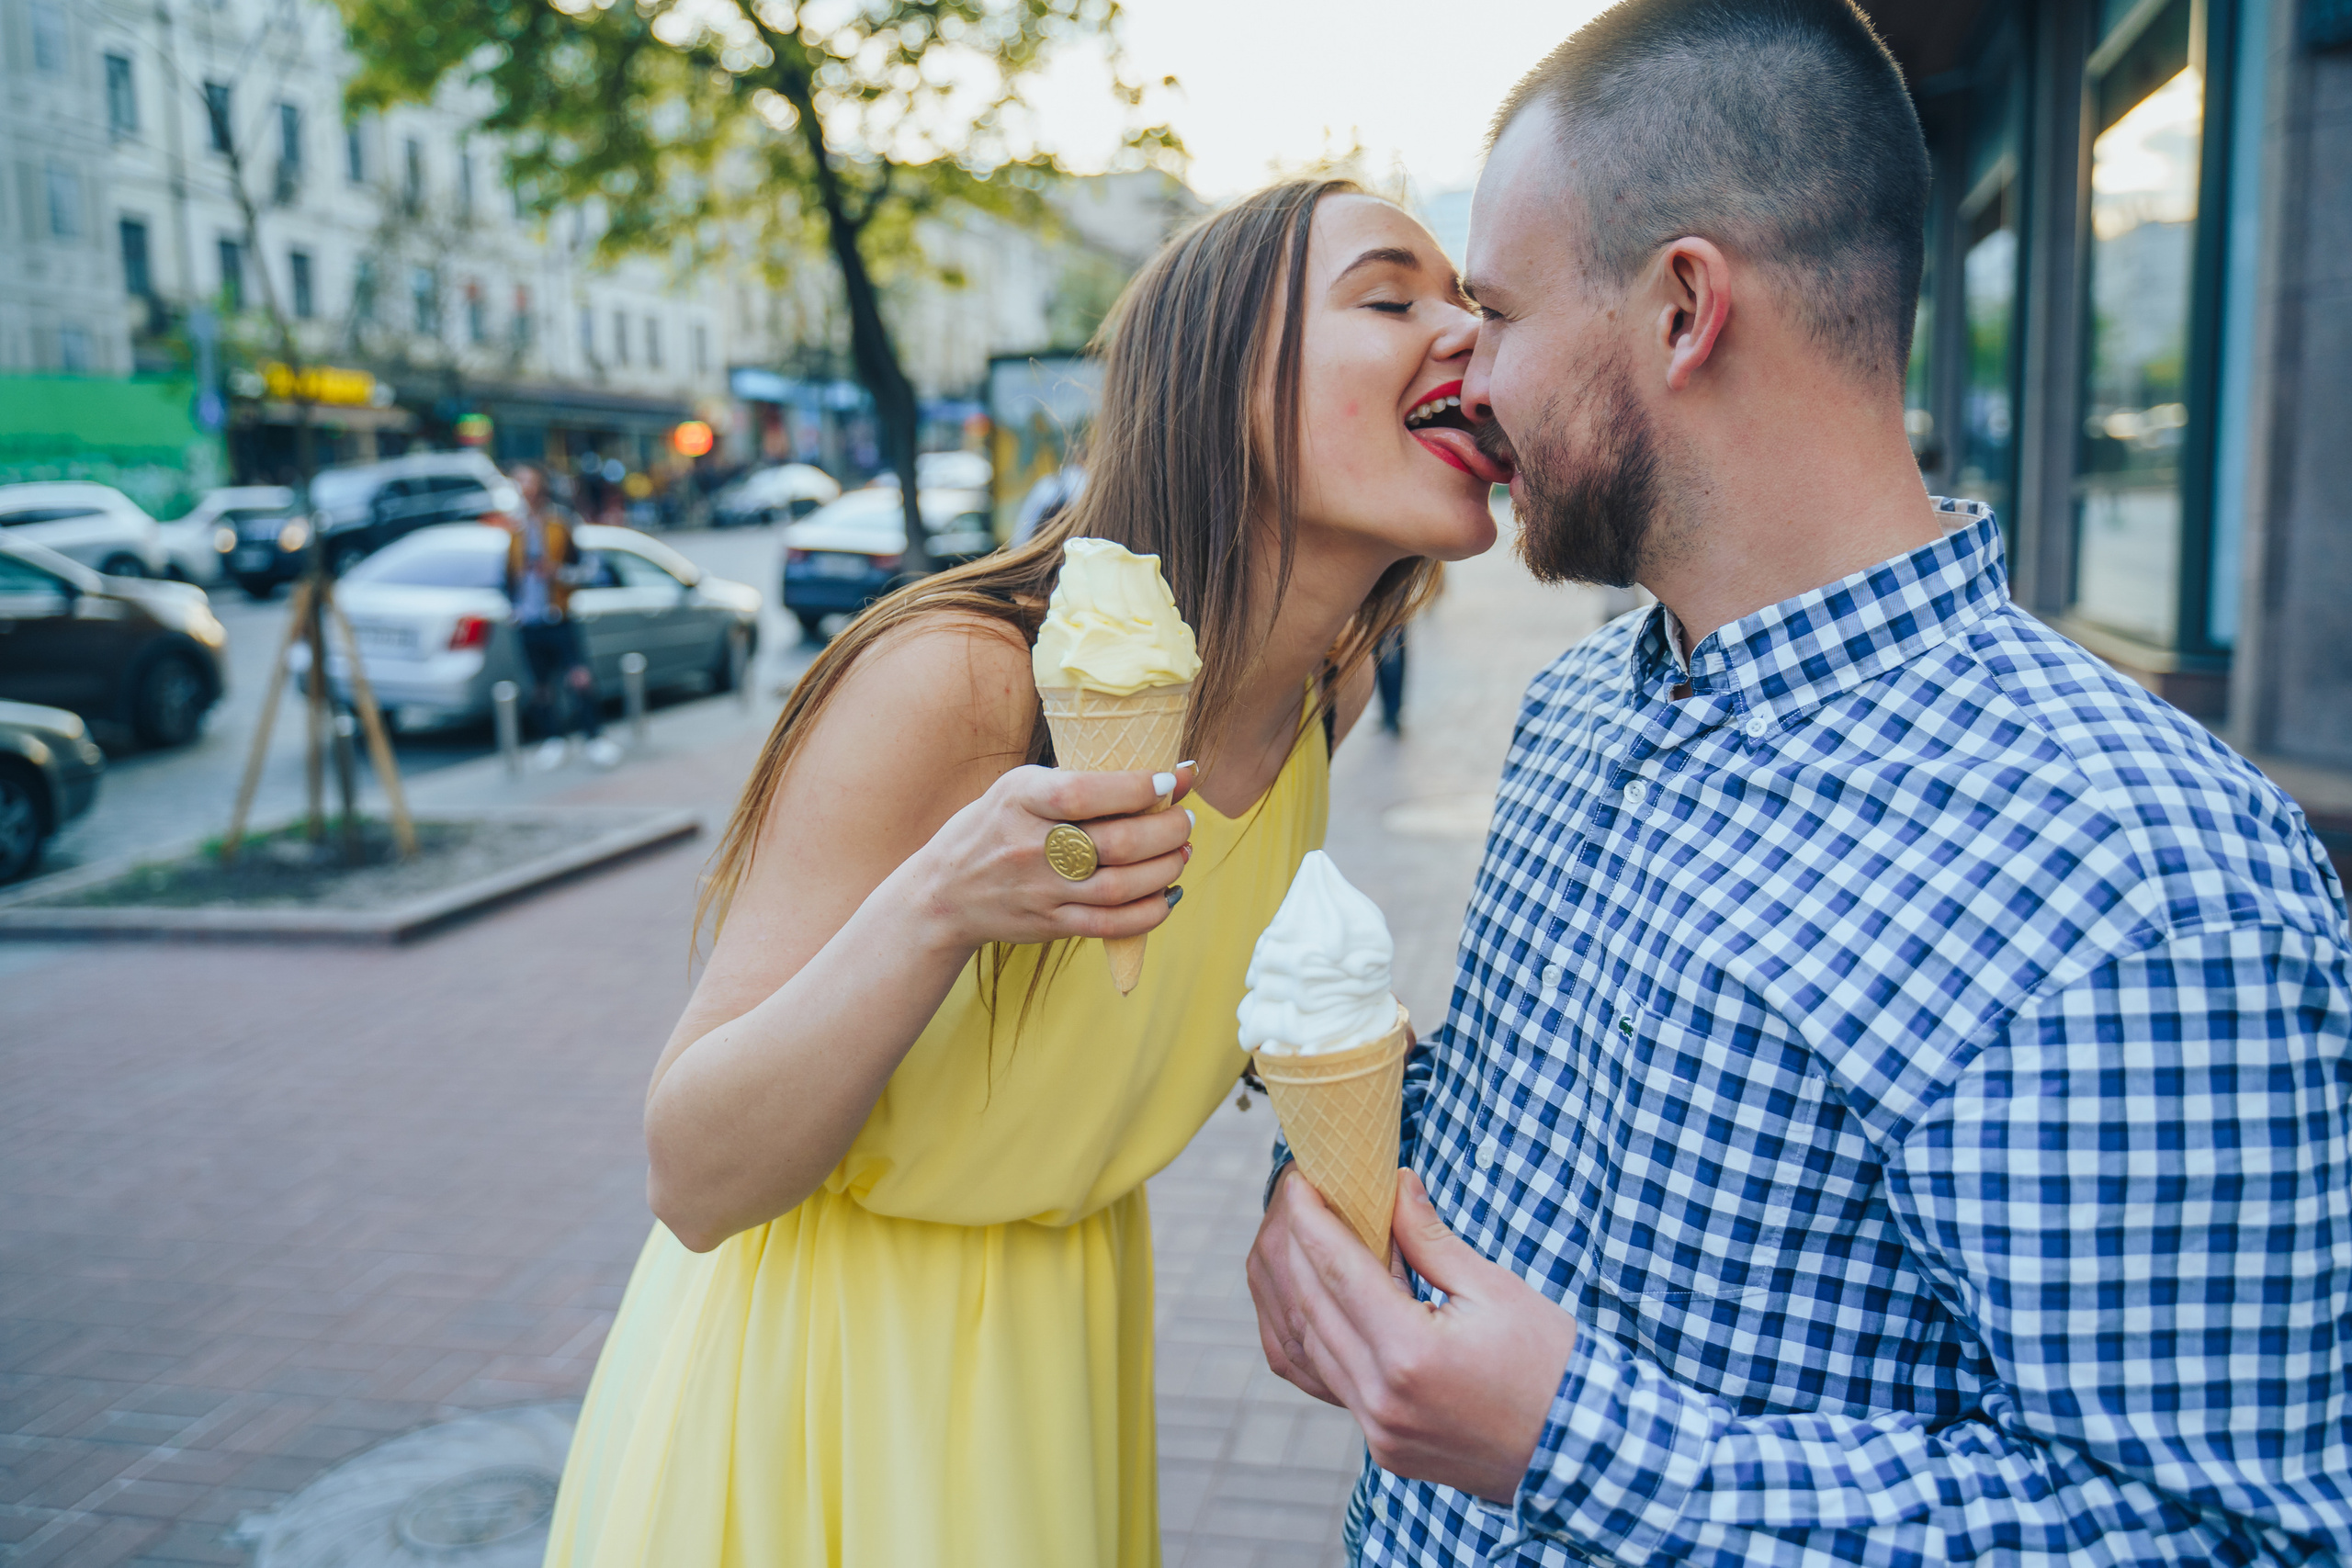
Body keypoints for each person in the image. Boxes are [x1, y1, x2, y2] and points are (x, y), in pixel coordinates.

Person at [1246, 3, 2352, 1566]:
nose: (1469, 372)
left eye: (1498, 309)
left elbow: (2232, 1537)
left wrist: (1579, 1446)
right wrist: (1325, 1173)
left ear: (1684, 308)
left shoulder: (2141, 874)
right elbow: (1514, 1147)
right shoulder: (1582, 709)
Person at [543, 179, 1511, 1567]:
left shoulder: (1324, 691)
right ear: (1223, 382)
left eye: (1473, 297)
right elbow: (693, 1167)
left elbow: (1148, 994)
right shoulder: (961, 679)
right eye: (1391, 296)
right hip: (818, 1387)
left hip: (1063, 1356)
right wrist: (942, 900)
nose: (1465, 329)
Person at [498, 463, 620, 771]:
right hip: (528, 619)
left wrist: (558, 573)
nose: (522, 487)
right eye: (518, 481)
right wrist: (513, 608)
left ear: (540, 486)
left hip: (558, 615)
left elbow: (589, 569)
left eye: (528, 481)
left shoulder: (559, 523)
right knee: (540, 686)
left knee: (579, 678)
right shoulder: (514, 530)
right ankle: (554, 739)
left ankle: (594, 736)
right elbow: (506, 577)